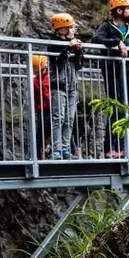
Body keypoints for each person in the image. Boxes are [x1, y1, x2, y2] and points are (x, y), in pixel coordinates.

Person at [90, 0, 129, 158]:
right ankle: (110, 147)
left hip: (126, 72)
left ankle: (122, 148)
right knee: (115, 107)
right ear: (119, 11)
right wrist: (117, 42)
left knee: (125, 108)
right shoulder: (107, 26)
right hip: (112, 71)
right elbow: (96, 39)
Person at [47, 13, 84, 160]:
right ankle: (56, 150)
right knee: (59, 118)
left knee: (69, 119)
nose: (74, 30)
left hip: (72, 86)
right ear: (62, 30)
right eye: (71, 28)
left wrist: (79, 51)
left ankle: (66, 149)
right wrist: (68, 49)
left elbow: (78, 65)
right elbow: (58, 62)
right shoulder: (54, 43)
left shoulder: (72, 44)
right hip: (59, 85)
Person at [31, 54, 52, 158]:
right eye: (37, 72)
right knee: (40, 133)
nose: (39, 73)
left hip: (51, 109)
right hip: (41, 110)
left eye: (41, 70)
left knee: (52, 130)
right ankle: (37, 155)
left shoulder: (50, 78)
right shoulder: (34, 80)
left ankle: (50, 150)